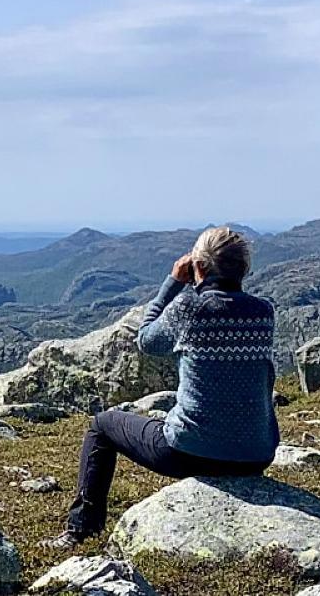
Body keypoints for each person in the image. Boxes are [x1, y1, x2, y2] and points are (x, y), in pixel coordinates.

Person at [43, 226, 279, 548]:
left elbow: (146, 340)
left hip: (188, 452)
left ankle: (80, 528)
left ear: (198, 267)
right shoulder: (263, 312)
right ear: (245, 268)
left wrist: (172, 283)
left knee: (101, 426)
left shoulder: (188, 309)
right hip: (256, 455)